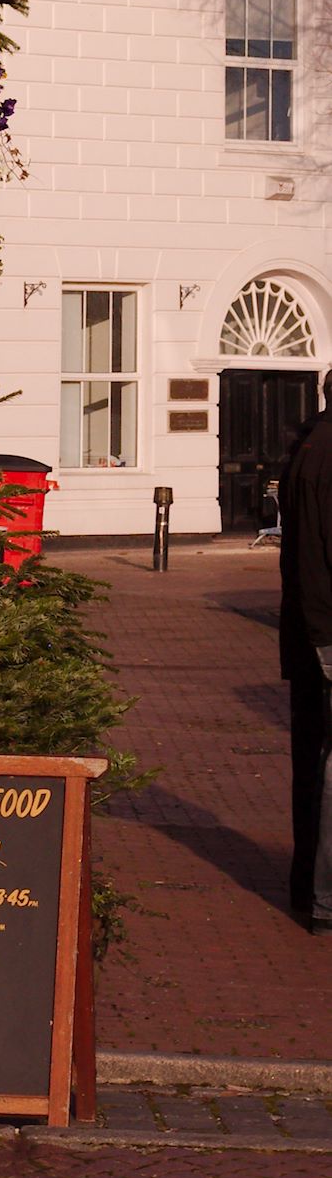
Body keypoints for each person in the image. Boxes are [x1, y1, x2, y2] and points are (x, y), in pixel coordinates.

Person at [277, 370, 332, 932]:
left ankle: (306, 887)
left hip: (306, 628)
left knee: (311, 761)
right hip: (326, 631)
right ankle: (323, 896)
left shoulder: (307, 445)